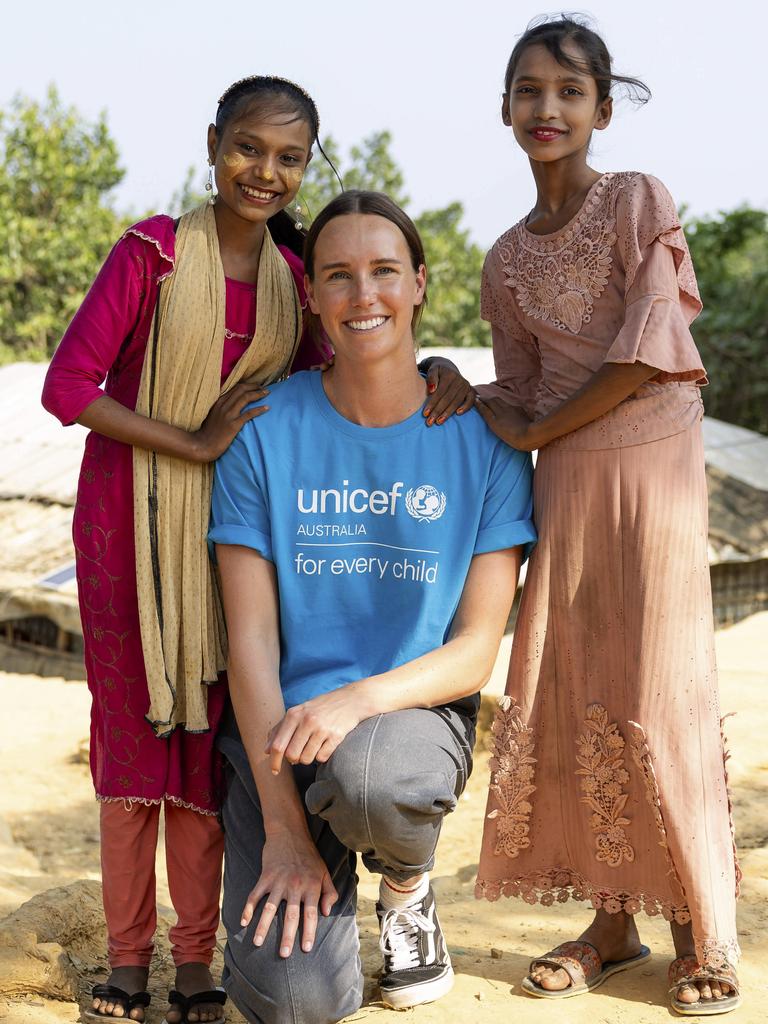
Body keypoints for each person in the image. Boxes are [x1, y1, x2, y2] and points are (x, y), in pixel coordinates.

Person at [456, 15, 740, 1016]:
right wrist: (464, 391)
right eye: (529, 91)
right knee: (579, 684)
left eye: (570, 92)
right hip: (567, 479)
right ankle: (612, 924)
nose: (548, 108)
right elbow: (524, 392)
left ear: (603, 110)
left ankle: (703, 930)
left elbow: (644, 351)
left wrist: (533, 431)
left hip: (651, 461)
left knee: (659, 689)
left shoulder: (636, 200)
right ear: (505, 111)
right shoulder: (501, 259)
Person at [41, 75, 336, 1024]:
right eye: (250, 147)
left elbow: (335, 389)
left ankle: (197, 964)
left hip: (236, 542)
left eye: (290, 157)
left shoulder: (297, 285)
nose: (267, 171)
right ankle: (130, 964)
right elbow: (69, 387)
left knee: (206, 756)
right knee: (136, 755)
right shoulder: (154, 257)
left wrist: (440, 372)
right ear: (214, 143)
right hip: (127, 527)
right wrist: (197, 441)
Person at [208, 190, 536, 1023]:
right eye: (339, 276)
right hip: (279, 735)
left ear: (420, 283)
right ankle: (312, 872)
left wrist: (360, 698)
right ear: (312, 295)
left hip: (406, 724)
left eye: (385, 271)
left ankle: (405, 889)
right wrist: (282, 829)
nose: (365, 296)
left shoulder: (483, 437)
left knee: (375, 779)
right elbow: (248, 644)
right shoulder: (261, 429)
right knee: (295, 1005)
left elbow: (473, 652)